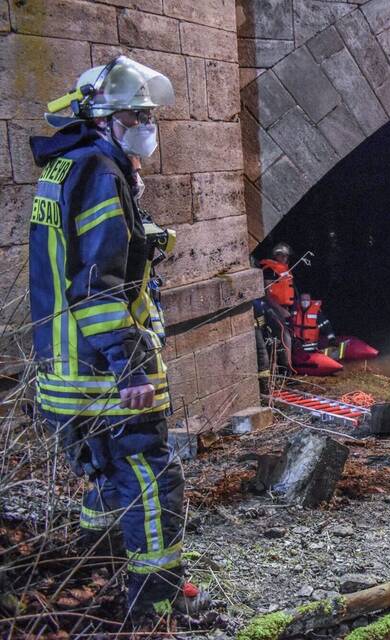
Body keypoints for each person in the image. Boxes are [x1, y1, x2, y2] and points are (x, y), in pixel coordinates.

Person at [30, 56, 206, 621]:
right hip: (104, 372)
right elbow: (97, 286)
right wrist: (130, 365)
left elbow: (75, 262)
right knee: (153, 480)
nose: (146, 125)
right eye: (135, 115)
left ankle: (94, 570)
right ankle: (153, 606)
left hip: (64, 366)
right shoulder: (103, 173)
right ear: (106, 119)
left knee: (106, 472)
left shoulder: (67, 166)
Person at [257, 243, 296, 372]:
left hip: (285, 308)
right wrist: (280, 310)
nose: (284, 258)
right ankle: (287, 370)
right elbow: (267, 294)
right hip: (272, 307)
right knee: (285, 337)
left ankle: (288, 364)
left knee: (289, 336)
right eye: (280, 255)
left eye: (285, 256)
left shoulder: (285, 270)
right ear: (275, 255)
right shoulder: (270, 270)